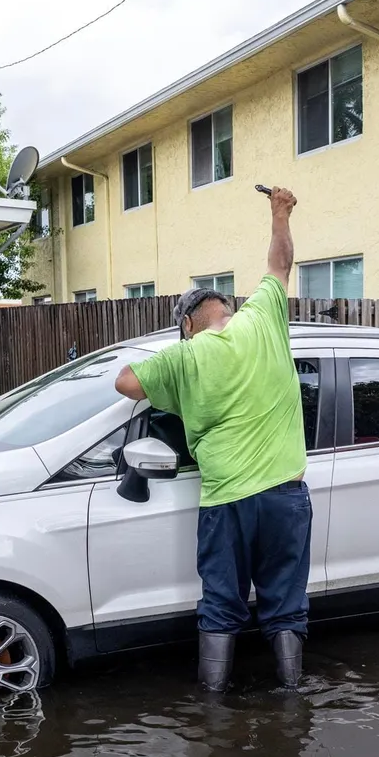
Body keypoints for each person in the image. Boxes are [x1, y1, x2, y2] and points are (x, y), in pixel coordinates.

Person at [114, 187, 312, 692]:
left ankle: (214, 715)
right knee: (285, 604)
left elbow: (126, 383)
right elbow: (280, 263)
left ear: (186, 324)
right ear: (226, 308)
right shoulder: (264, 318)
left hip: (225, 501)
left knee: (222, 605)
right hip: (285, 495)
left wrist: (180, 387)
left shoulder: (183, 359)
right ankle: (291, 701)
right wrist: (280, 211)